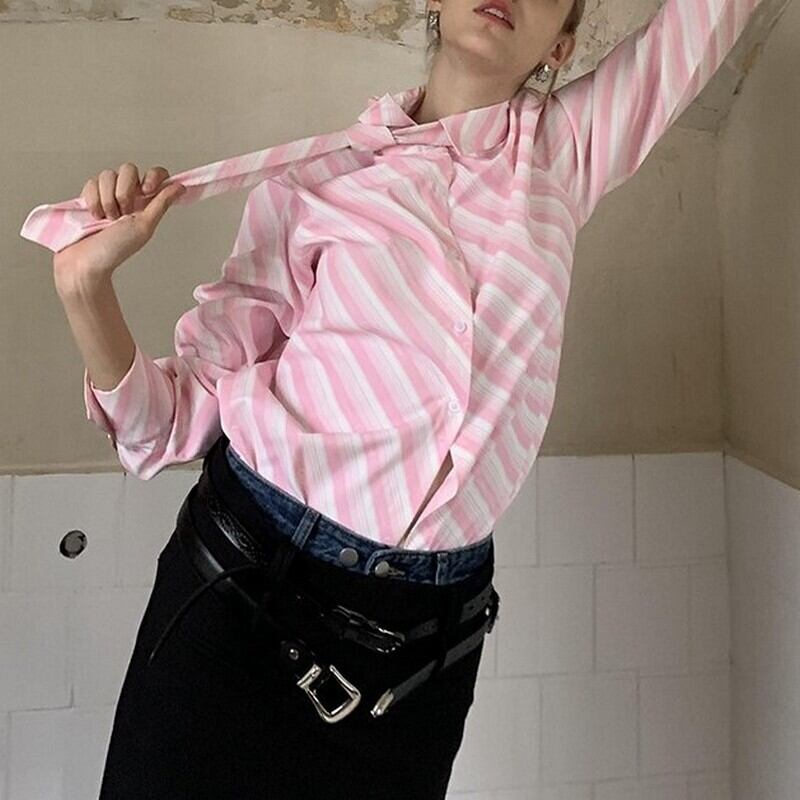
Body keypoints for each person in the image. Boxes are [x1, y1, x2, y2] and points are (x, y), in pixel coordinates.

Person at [33, 0, 763, 795]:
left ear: (560, 47)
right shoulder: (316, 180)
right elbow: (164, 426)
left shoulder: (566, 153)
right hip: (245, 590)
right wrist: (86, 291)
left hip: (424, 650)